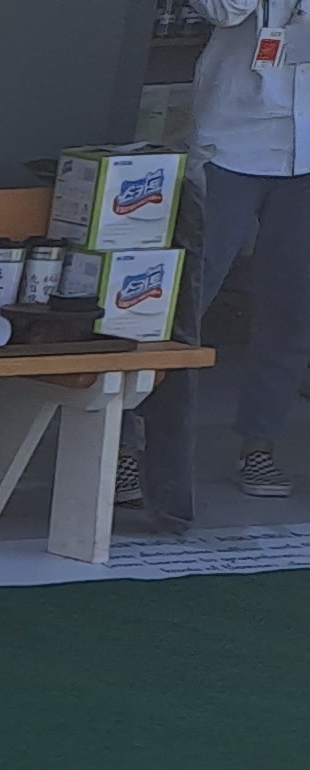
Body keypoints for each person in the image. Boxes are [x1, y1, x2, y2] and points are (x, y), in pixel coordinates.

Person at [144, 0, 310, 513]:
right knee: (185, 301)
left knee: (292, 309)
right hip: (231, 142)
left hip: (306, 153)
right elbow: (223, 9)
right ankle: (131, 443)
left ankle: (259, 444)